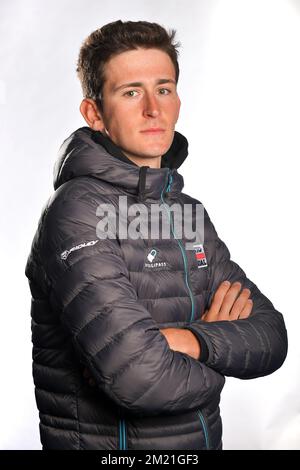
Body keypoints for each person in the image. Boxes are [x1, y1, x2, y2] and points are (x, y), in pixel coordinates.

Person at [25, 20, 288, 450]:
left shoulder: (188, 214)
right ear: (94, 114)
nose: (153, 109)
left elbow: (272, 337)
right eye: (131, 92)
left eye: (163, 89)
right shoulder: (77, 212)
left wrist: (187, 341)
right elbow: (139, 379)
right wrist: (222, 358)